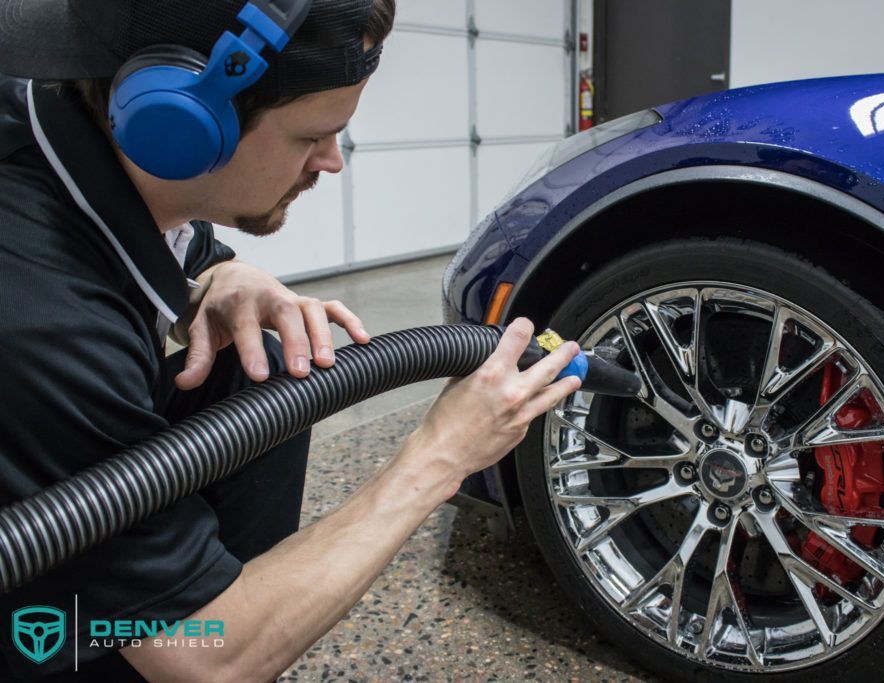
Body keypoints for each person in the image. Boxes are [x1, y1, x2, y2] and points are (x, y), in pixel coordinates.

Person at [0, 0, 580, 680]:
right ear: (181, 127)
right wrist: (439, 456)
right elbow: (202, 658)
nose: (331, 161)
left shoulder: (63, 122)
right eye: (312, 137)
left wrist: (217, 268)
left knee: (267, 367)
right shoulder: (45, 312)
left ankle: (228, 595)